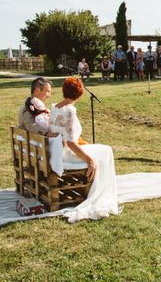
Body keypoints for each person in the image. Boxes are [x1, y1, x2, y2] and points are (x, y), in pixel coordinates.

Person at [49, 77, 120, 221]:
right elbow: (70, 144)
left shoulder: (55, 107)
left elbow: (57, 134)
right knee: (106, 151)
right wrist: (90, 160)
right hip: (68, 153)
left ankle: (100, 187)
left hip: (57, 151)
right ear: (79, 94)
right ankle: (101, 193)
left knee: (102, 149)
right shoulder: (69, 111)